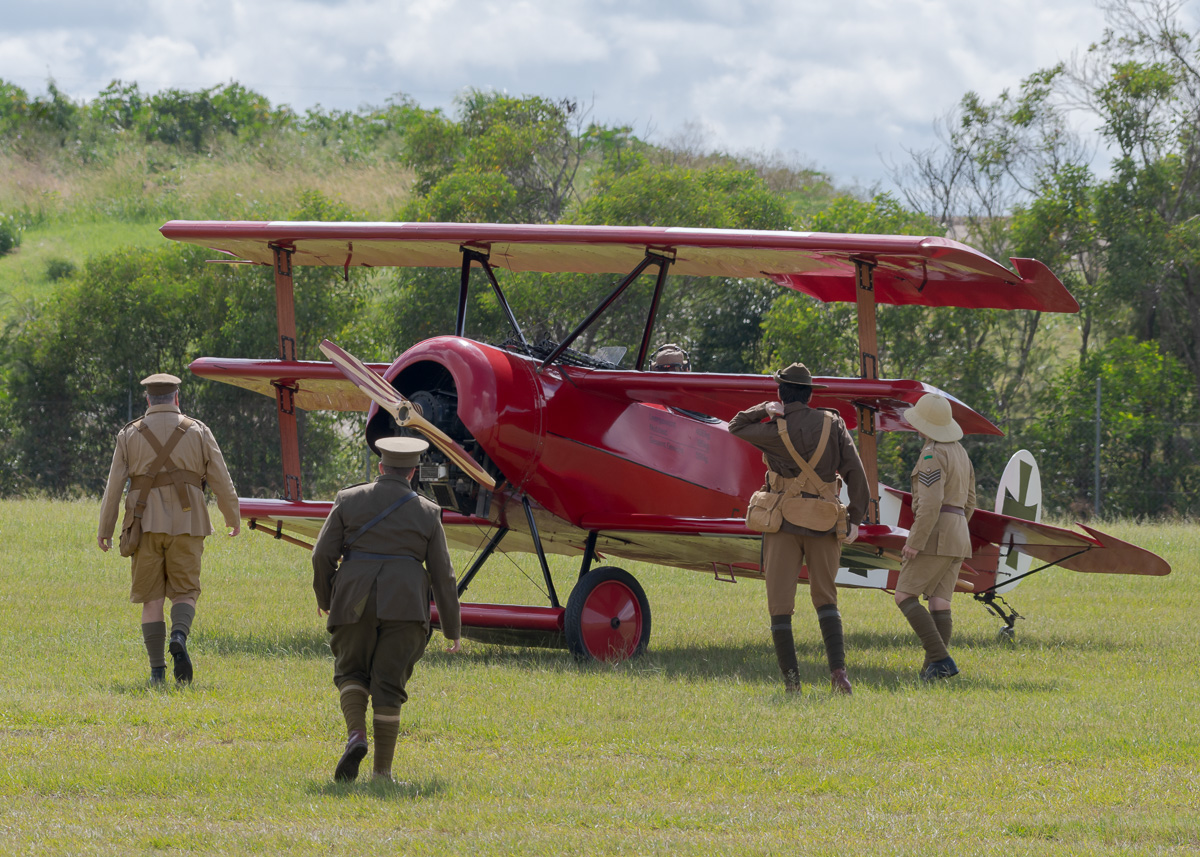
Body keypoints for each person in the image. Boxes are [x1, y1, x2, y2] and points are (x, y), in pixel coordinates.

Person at [312, 436, 462, 784]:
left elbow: (321, 555)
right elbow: (444, 575)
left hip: (352, 600)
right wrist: (453, 629)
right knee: (389, 686)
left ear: (381, 467)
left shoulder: (348, 499)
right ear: (412, 473)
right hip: (406, 606)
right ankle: (382, 775)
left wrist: (326, 598)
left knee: (350, 672)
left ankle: (355, 736)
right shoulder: (428, 511)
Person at [728, 363, 870, 695]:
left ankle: (793, 684)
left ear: (781, 393)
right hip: (824, 521)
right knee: (826, 599)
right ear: (809, 394)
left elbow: (736, 425)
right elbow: (856, 473)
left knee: (780, 604)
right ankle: (839, 676)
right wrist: (856, 518)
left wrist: (764, 410)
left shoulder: (774, 428)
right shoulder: (833, 424)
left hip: (783, 524)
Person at [97, 373, 241, 686]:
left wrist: (105, 528)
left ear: (148, 400)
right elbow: (220, 479)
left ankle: (157, 673)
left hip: (144, 524)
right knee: (185, 591)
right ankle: (179, 634)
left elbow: (113, 488)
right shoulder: (198, 430)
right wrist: (233, 516)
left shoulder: (129, 434)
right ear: (176, 398)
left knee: (151, 598)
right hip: (189, 524)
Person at [894, 393, 976, 681]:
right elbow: (971, 502)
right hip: (958, 534)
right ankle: (931, 671)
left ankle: (941, 660)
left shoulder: (931, 454)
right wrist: (956, 528)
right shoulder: (961, 452)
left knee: (904, 594)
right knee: (940, 602)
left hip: (936, 532)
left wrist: (915, 542)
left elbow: (929, 504)